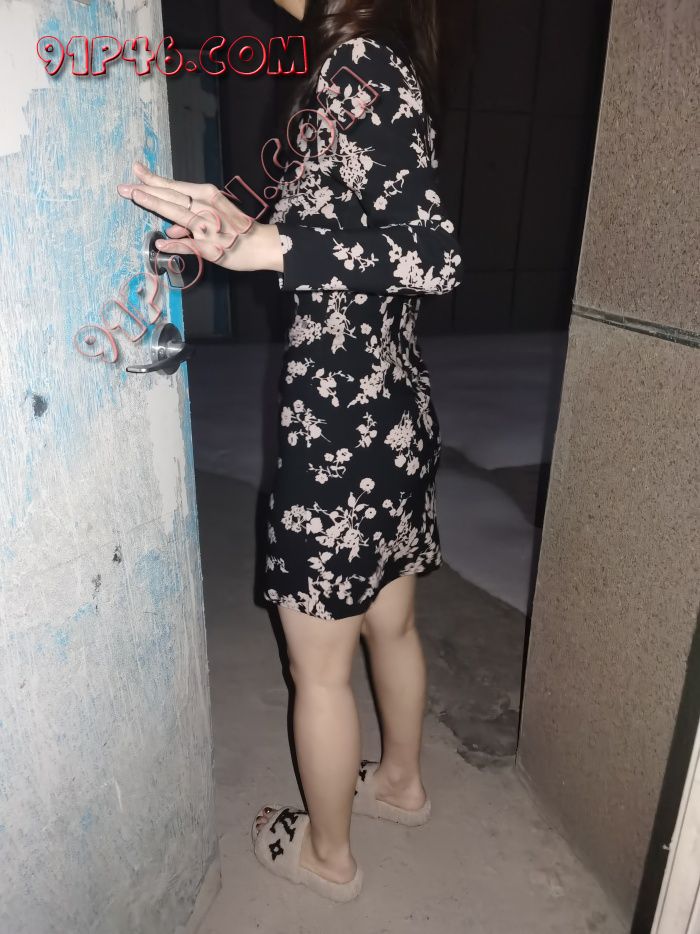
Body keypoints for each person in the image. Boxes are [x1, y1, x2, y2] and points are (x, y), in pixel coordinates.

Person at [117, 0, 462, 903]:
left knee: (319, 669)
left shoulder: (356, 66)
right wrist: (245, 223)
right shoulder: (376, 61)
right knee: (390, 622)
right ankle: (400, 783)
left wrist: (268, 244)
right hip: (391, 408)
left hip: (342, 427)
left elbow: (432, 255)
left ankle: (327, 857)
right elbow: (359, 234)